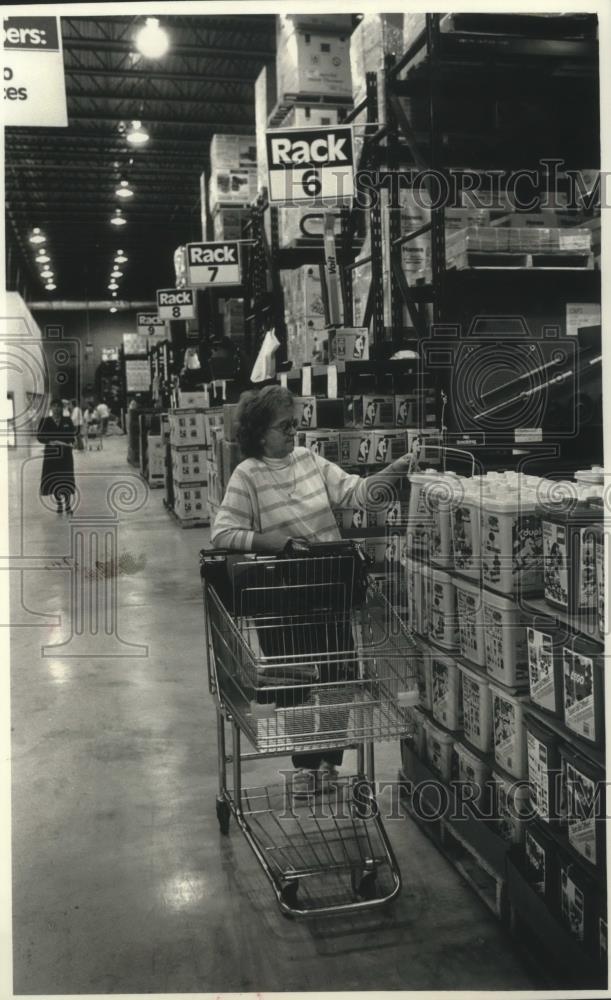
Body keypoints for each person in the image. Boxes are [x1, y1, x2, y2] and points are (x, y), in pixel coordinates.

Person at [211, 385, 412, 797]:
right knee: (295, 684)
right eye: (284, 427)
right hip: (282, 597)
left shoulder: (310, 461)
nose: (293, 435)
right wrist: (273, 541)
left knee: (338, 677)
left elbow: (357, 493)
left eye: (295, 426)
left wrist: (398, 468)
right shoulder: (247, 474)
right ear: (259, 431)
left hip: (329, 585)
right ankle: (304, 764)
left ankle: (329, 762)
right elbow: (223, 532)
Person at [37, 398, 76, 514]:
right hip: (51, 456)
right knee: (55, 480)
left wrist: (66, 441)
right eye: (54, 406)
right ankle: (59, 504)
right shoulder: (45, 421)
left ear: (62, 408)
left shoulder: (67, 420)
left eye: (58, 406)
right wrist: (50, 441)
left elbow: (72, 435)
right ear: (51, 408)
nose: (56, 408)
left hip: (66, 456)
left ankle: (68, 505)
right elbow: (39, 437)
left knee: (66, 479)